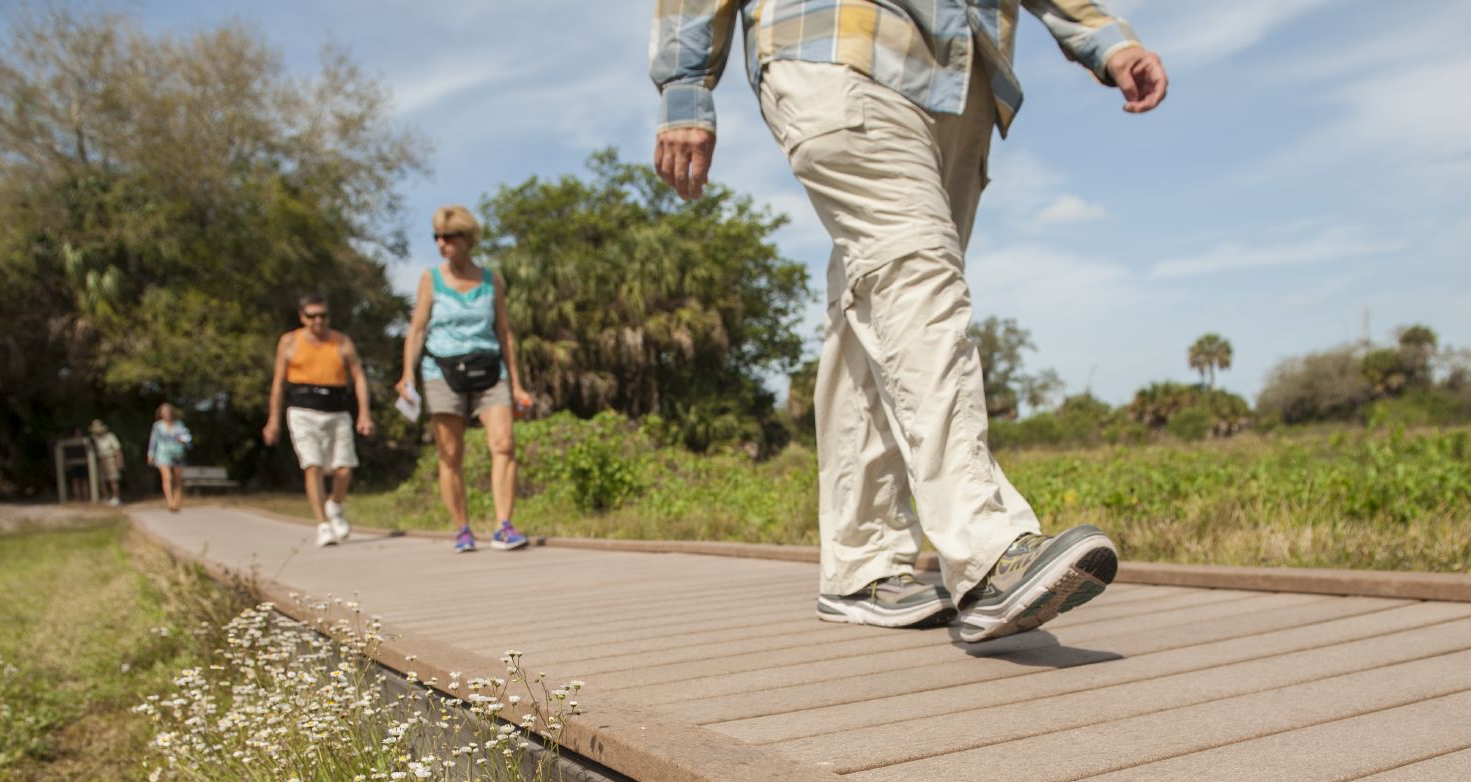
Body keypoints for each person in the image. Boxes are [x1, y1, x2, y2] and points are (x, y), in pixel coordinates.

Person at [650, 1, 1166, 641]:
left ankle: (859, 569)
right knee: (916, 276)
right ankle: (989, 552)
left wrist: (1103, 37)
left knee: (875, 305)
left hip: (963, 78)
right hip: (838, 42)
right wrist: (684, 88)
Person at [398, 205, 534, 553]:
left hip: (489, 370)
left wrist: (516, 384)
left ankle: (504, 526)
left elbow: (505, 333)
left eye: (450, 237)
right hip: (442, 371)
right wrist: (406, 375)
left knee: (504, 444)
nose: (442, 243)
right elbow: (416, 330)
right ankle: (462, 528)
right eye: (437, 238)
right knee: (450, 453)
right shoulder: (431, 278)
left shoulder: (492, 280)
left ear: (467, 238)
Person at [262, 294, 374, 547]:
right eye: (312, 316)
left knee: (344, 468)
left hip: (336, 409)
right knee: (312, 465)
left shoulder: (341, 341)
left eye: (323, 315)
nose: (318, 321)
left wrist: (364, 413)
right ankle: (323, 524)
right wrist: (273, 421)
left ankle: (334, 504)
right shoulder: (290, 342)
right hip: (302, 411)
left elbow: (359, 377)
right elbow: (278, 384)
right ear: (302, 317)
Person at [146, 403, 193, 513]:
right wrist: (150, 455)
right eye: (164, 413)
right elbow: (153, 441)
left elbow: (188, 439)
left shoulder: (179, 425)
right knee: (167, 478)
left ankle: (177, 502)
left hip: (177, 454)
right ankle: (170, 502)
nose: (166, 414)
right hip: (162, 454)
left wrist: (184, 441)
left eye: (167, 412)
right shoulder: (157, 426)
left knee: (177, 479)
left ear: (172, 413)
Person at [89, 419, 124, 506]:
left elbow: (118, 449)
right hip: (100, 460)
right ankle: (106, 497)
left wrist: (120, 461)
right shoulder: (94, 438)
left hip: (110, 459)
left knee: (113, 479)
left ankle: (116, 497)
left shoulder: (110, 436)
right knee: (102, 480)